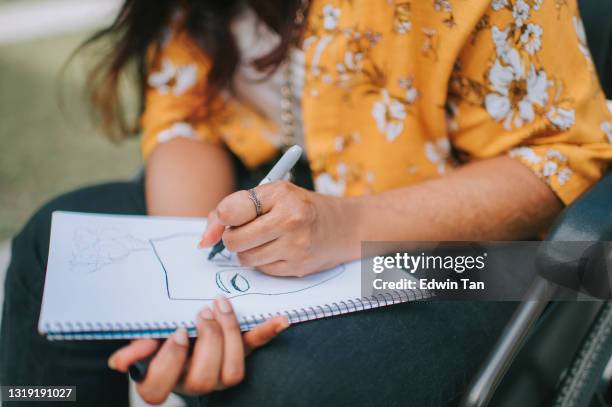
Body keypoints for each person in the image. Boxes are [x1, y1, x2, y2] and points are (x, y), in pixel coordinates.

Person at [2, 0, 612, 405]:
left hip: (466, 254)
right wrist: (187, 299)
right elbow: (187, 116)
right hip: (266, 200)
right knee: (53, 255)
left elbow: (563, 155)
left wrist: (346, 222)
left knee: (289, 382)